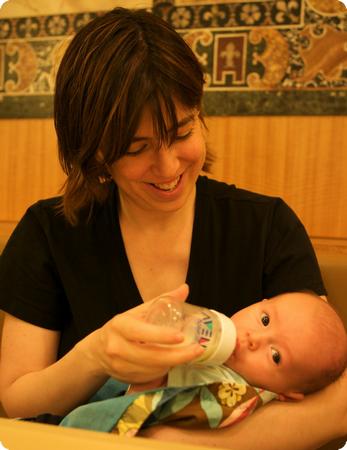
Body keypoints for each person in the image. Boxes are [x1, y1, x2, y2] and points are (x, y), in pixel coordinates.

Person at [0, 7, 346, 449]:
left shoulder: (265, 226)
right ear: (95, 152)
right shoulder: (49, 233)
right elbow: (18, 398)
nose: (167, 167)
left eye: (181, 132)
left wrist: (165, 442)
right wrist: (97, 354)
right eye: (136, 148)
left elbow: (337, 405)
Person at [127, 291, 347, 402]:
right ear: (261, 302)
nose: (255, 339)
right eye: (265, 320)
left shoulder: (232, 394)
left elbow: (145, 403)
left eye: (275, 355)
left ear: (287, 395)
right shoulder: (208, 333)